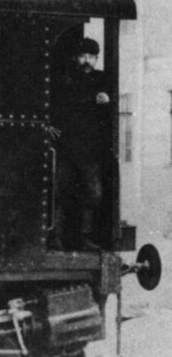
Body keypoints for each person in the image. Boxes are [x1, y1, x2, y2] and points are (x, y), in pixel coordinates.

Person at [49, 37, 111, 251]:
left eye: (92, 57)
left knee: (93, 194)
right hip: (65, 147)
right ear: (75, 57)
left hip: (89, 149)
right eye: (83, 56)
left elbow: (108, 108)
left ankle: (84, 238)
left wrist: (108, 99)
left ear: (96, 59)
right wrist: (47, 125)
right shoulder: (63, 79)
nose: (87, 61)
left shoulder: (102, 80)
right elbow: (56, 104)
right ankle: (55, 238)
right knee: (60, 194)